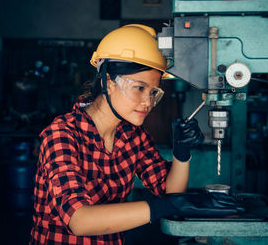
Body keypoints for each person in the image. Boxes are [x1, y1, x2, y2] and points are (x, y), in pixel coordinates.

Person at [30, 24, 243, 244]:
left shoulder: (133, 136)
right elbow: (79, 220)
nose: (148, 102)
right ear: (108, 82)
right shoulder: (62, 134)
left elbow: (170, 190)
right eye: (139, 88)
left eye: (153, 92)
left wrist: (181, 151)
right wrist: (167, 206)